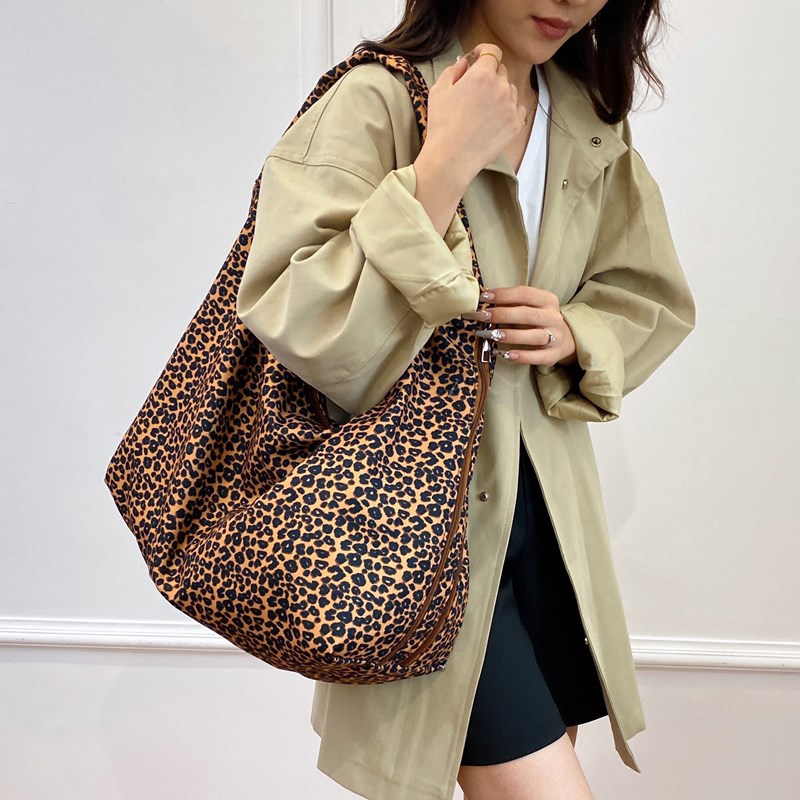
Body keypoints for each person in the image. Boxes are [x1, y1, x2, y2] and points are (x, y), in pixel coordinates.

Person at [236, 1, 695, 798]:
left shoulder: (584, 113)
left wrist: (576, 332)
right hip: (423, 530)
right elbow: (297, 311)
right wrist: (443, 161)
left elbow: (647, 291)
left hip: (552, 516)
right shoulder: (376, 99)